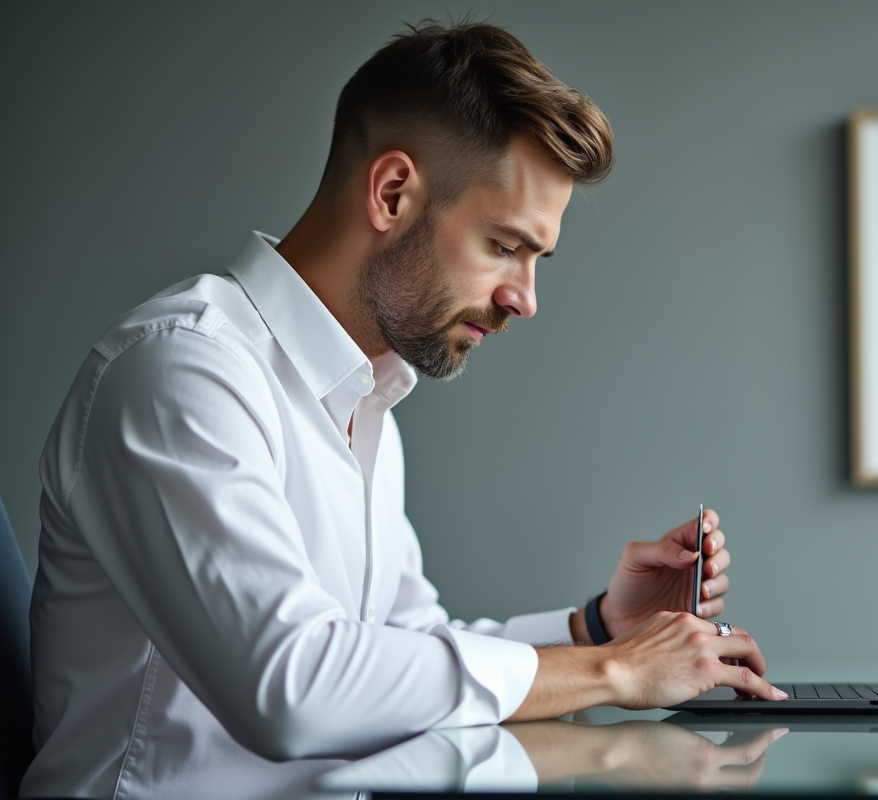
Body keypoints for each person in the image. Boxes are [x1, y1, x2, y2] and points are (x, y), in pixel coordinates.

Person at [23, 19, 785, 799]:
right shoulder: (182, 371)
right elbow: (292, 689)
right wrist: (613, 671)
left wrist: (594, 628)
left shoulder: (368, 397)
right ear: (393, 194)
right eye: (505, 245)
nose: (524, 299)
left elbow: (400, 649)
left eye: (536, 257)